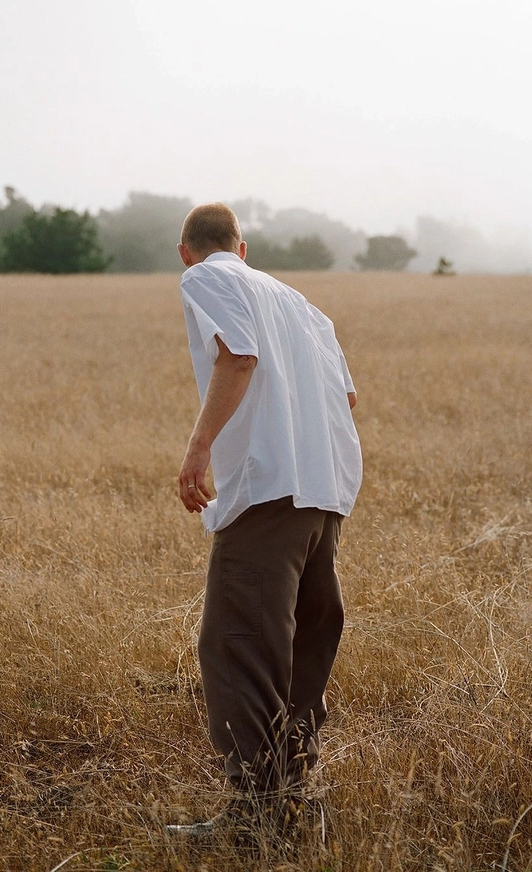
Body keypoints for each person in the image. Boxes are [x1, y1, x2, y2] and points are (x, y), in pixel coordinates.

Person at [171, 203, 362, 834]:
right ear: (244, 246)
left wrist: (198, 450)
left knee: (240, 646)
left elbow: (238, 357)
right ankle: (290, 805)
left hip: (271, 492)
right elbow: (349, 396)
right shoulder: (306, 308)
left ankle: (255, 819)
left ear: (186, 252)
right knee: (300, 651)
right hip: (325, 494)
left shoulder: (206, 277)